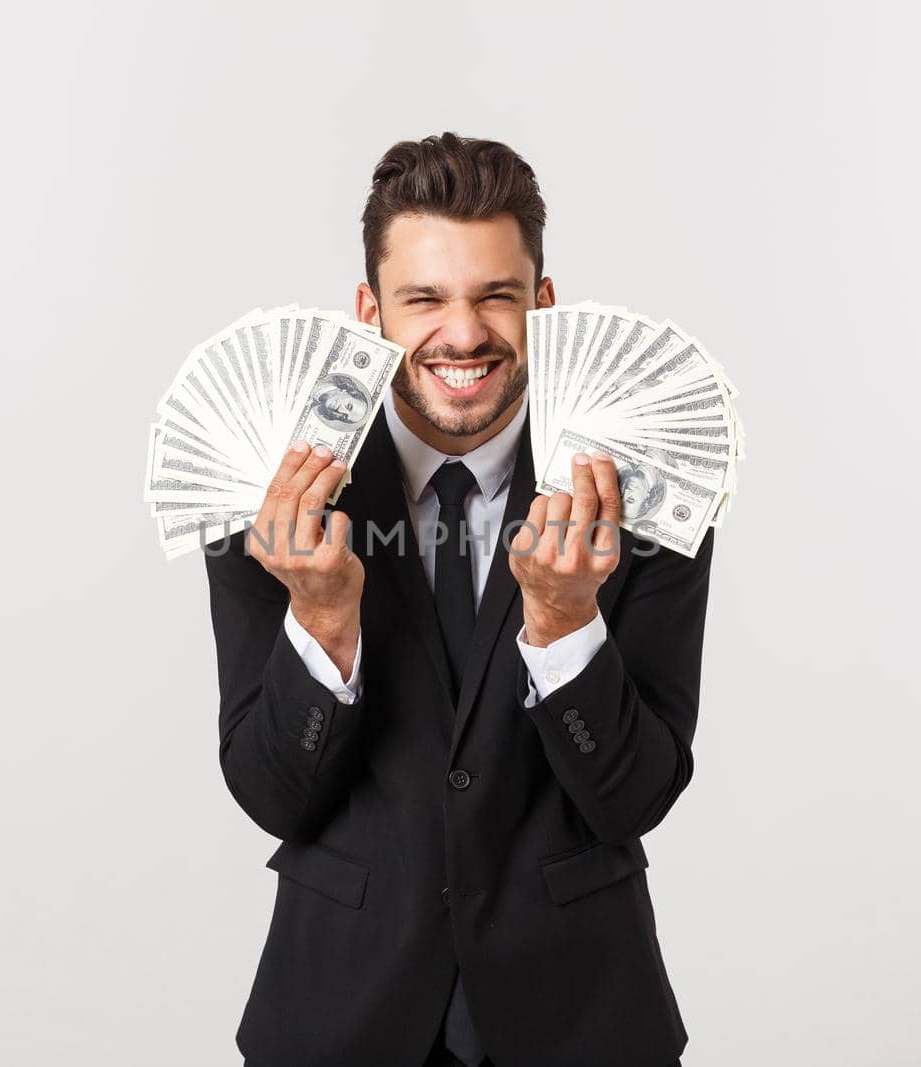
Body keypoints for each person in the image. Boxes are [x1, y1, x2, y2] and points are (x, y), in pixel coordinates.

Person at [203, 132, 715, 1067]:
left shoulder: (642, 491)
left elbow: (635, 795)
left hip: (582, 1019)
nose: (464, 333)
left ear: (543, 305)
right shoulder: (267, 495)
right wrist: (320, 621)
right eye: (424, 299)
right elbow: (273, 791)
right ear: (370, 313)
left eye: (495, 296)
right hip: (339, 1017)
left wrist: (566, 628)